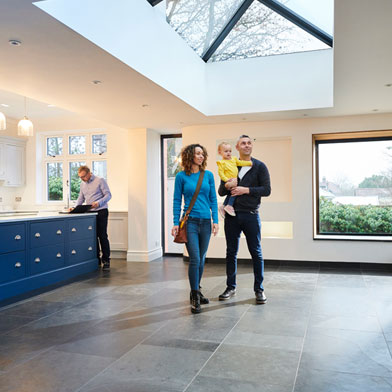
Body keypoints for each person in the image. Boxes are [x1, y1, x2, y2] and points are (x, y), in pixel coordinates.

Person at [218, 135, 271, 304]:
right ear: (237, 147)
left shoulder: (260, 166)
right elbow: (221, 191)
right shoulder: (229, 164)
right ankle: (230, 287)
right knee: (231, 252)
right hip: (232, 216)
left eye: (249, 143)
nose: (247, 145)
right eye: (243, 143)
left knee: (256, 252)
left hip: (251, 215)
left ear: (252, 146)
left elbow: (267, 190)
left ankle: (259, 289)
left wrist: (245, 190)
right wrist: (227, 185)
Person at [172, 144, 219, 314]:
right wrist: (176, 222)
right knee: (195, 259)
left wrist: (215, 220)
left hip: (206, 222)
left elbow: (213, 198)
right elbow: (177, 200)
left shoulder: (208, 175)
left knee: (201, 258)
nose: (201, 156)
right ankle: (194, 295)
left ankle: (197, 290)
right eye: (198, 153)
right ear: (190, 156)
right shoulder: (181, 177)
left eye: (202, 154)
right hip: (190, 222)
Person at [74, 165, 112, 271]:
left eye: (83, 176)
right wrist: (75, 208)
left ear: (89, 173)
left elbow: (108, 195)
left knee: (102, 236)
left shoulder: (100, 180)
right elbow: (81, 198)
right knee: (92, 237)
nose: (82, 179)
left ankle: (106, 260)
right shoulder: (82, 184)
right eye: (80, 177)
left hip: (101, 211)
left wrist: (98, 203)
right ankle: (96, 260)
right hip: (90, 213)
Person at [216, 141, 252, 217]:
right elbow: (221, 173)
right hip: (230, 180)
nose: (228, 153)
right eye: (226, 151)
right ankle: (229, 205)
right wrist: (226, 180)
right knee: (235, 192)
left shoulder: (234, 159)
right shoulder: (221, 163)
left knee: (231, 193)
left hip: (234, 179)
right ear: (220, 153)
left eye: (230, 151)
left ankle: (224, 205)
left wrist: (249, 163)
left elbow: (241, 163)